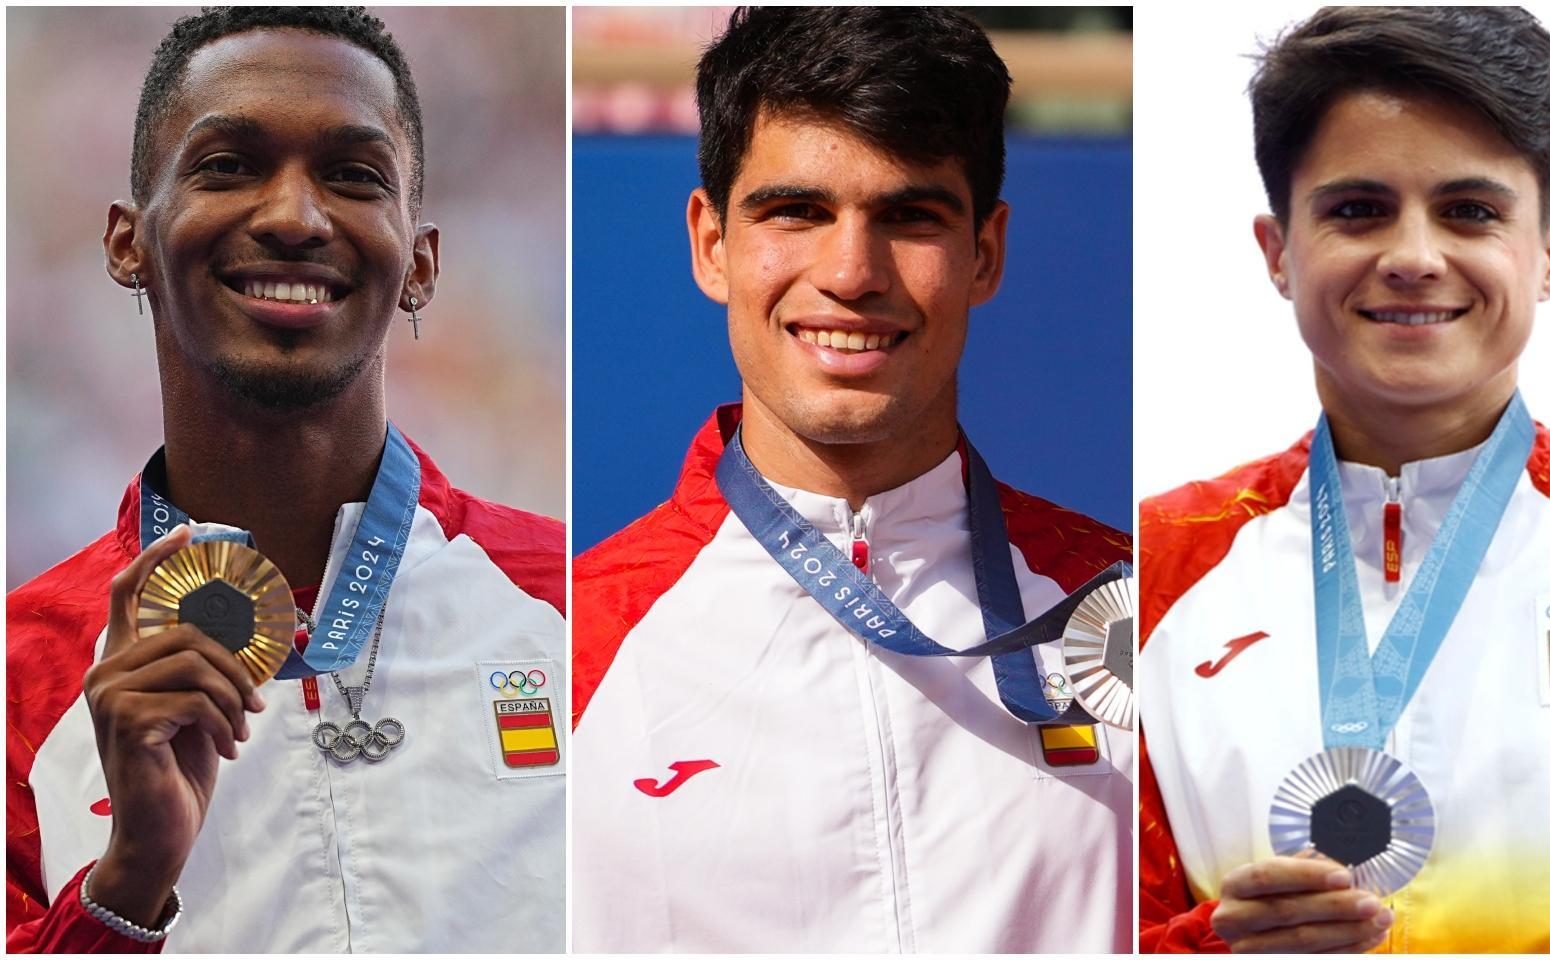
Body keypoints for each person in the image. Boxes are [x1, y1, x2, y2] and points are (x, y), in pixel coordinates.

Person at [1138, 6, 1550, 954]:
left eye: (1470, 212)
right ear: (1279, 252)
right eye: (1357, 209)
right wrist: (1214, 944)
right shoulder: (1150, 569)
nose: (1412, 257)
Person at [572, 7, 1132, 953]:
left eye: (910, 216)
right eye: (796, 211)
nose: (852, 272)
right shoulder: (570, 643)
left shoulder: (1139, 610)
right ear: (711, 242)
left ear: (984, 253)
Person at [5, 8, 565, 953]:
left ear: (420, 262)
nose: (295, 218)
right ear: (126, 242)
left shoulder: (576, 606)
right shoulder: (21, 679)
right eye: (227, 165)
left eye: (353, 176)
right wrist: (129, 880)